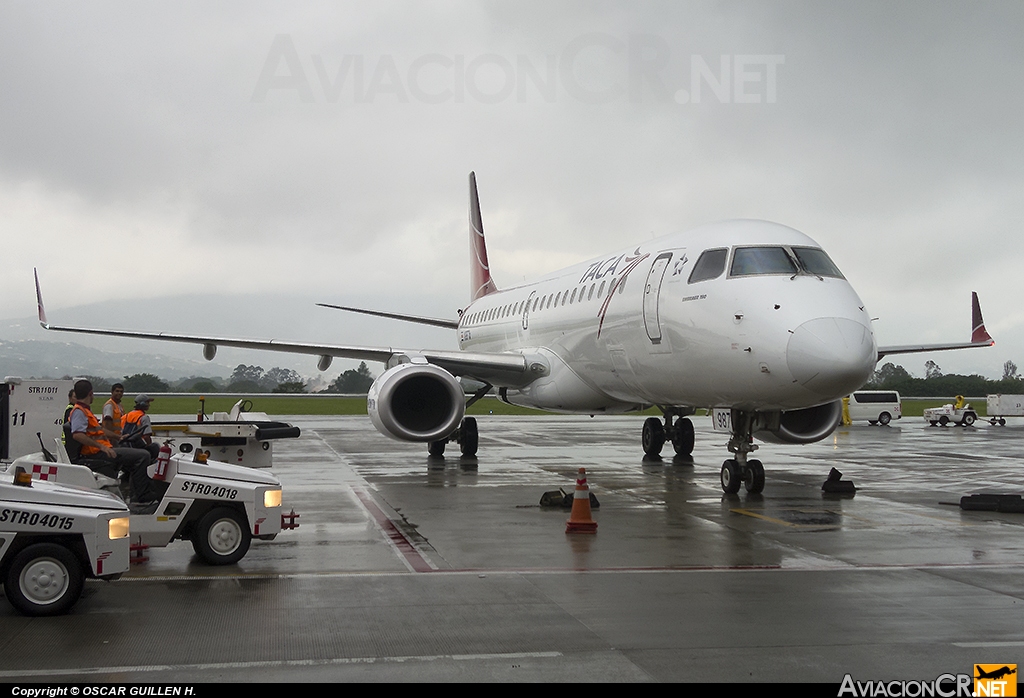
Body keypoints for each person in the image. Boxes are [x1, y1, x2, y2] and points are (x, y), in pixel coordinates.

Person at [68, 379, 159, 512]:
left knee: (134, 459)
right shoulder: (79, 411)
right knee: (143, 456)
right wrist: (103, 447)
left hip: (102, 450)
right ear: (91, 393)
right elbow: (77, 435)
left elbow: (99, 429)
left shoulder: (85, 410)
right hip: (96, 453)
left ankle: (134, 494)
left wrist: (119, 437)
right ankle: (142, 497)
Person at [121, 394, 160, 462]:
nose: (149, 405)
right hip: (137, 445)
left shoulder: (126, 416)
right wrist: (149, 446)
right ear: (143, 403)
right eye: (147, 402)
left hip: (125, 445)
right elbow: (146, 436)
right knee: (155, 446)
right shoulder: (144, 417)